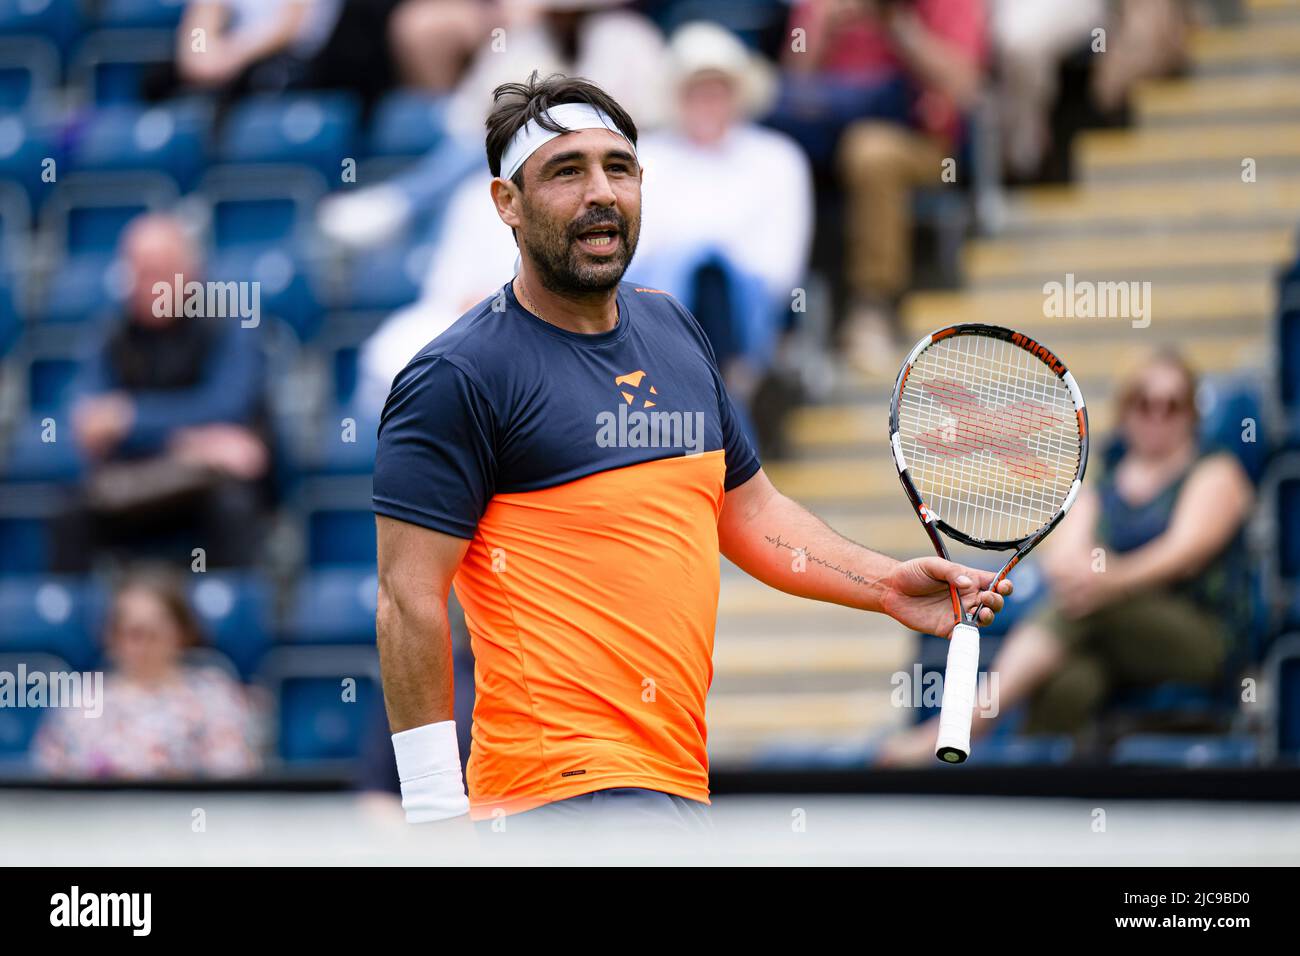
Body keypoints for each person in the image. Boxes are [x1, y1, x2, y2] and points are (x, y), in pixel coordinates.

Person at [372, 72, 1012, 833]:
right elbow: (409, 600)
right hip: (554, 797)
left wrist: (882, 585)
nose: (600, 192)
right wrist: (438, 816)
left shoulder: (674, 329)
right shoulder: (457, 375)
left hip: (672, 781)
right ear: (506, 203)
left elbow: (750, 512)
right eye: (566, 172)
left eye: (619, 168)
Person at [879, 350, 1255, 764]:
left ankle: (963, 726)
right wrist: (1091, 578)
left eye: (1173, 405)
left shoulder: (1216, 472)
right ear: (1127, 410)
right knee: (1073, 679)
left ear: (1191, 414)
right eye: (1145, 403)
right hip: (1108, 638)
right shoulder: (1106, 482)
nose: (1158, 416)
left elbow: (1183, 554)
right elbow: (1063, 560)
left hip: (1201, 639)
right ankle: (1029, 786)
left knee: (1081, 607)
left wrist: (1109, 580)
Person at [633, 21, 813, 454]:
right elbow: (636, 252)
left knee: (712, 274)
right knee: (694, 270)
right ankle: (725, 420)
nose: (707, 102)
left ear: (738, 93)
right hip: (659, 304)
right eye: (696, 90)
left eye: (717, 89)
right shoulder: (646, 157)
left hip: (749, 308)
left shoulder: (778, 158)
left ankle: (713, 408)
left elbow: (780, 266)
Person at [55, 214, 271, 572]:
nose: (148, 285)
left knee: (233, 505)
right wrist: (193, 439)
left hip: (209, 487)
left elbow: (229, 407)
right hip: (138, 483)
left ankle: (231, 615)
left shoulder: (230, 320)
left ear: (190, 271)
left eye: (158, 272)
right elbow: (88, 421)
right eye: (138, 273)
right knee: (67, 511)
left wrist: (130, 418)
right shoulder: (111, 333)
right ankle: (69, 622)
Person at [33, 566, 263, 779]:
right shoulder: (80, 700)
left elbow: (234, 779)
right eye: (133, 633)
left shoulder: (215, 696)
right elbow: (50, 784)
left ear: (182, 633)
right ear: (111, 636)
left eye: (154, 634)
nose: (143, 646)